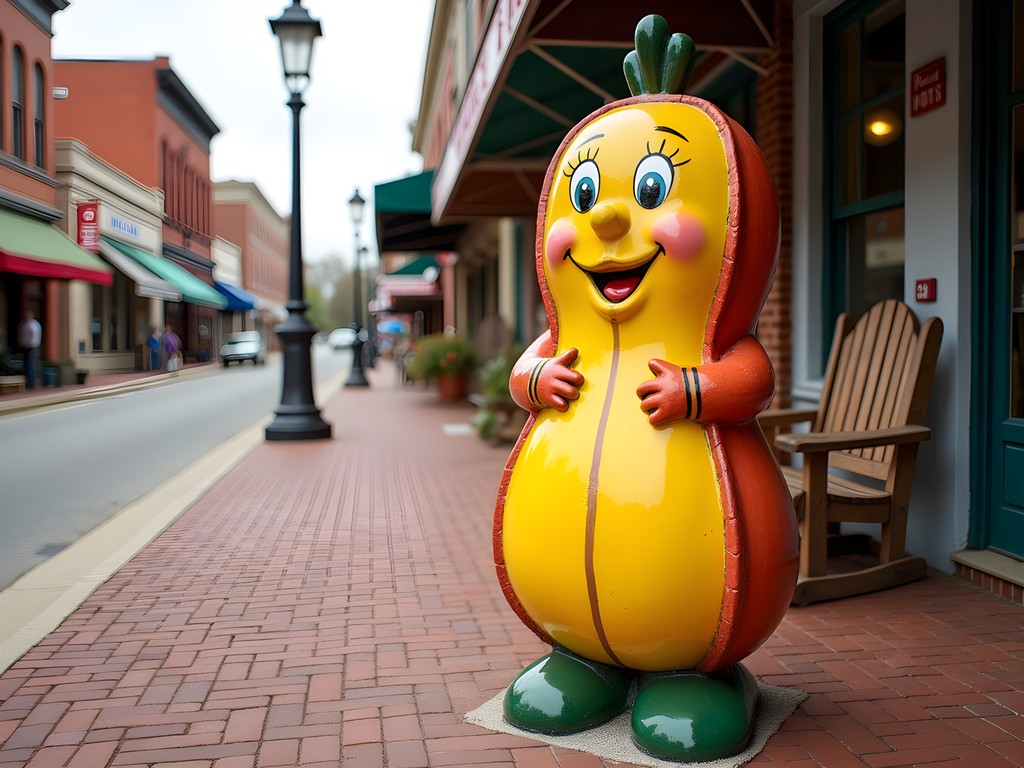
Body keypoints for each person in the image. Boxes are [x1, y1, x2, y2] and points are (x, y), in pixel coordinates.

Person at [17, 311, 42, 389]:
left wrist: (34, 344)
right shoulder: (24, 324)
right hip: (25, 347)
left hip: (32, 347)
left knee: (31, 364)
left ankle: (32, 382)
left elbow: (35, 336)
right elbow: (21, 335)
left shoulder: (34, 325)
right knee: (27, 364)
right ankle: (29, 381)